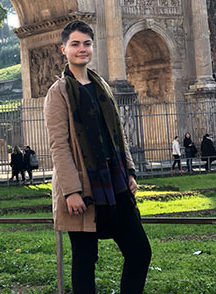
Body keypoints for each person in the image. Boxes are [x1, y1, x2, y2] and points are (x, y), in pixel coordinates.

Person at [44, 20, 151, 294]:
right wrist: (71, 191)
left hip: (114, 183)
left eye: (87, 43)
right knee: (85, 261)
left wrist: (129, 171)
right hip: (83, 188)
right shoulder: (57, 93)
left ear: (93, 46)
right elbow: (59, 146)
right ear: (63, 49)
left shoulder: (101, 84)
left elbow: (116, 133)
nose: (82, 49)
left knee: (140, 252)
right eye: (75, 44)